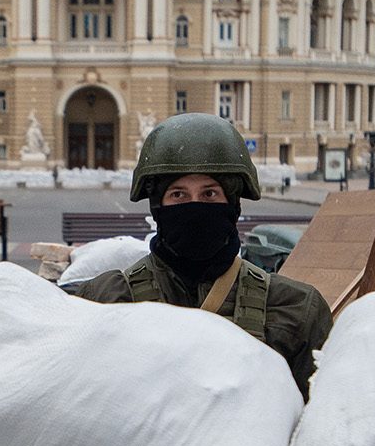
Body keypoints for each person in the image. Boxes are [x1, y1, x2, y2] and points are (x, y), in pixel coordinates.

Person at [73, 114, 333, 397]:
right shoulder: (106, 301)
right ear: (158, 208)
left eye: (210, 194)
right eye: (178, 195)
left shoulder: (294, 310)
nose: (194, 207)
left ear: (233, 206)